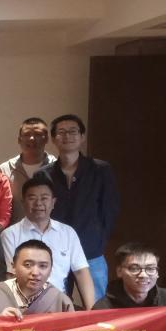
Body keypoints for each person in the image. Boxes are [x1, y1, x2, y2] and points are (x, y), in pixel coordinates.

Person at [41, 114, 120, 300]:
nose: (67, 136)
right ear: (53, 139)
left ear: (82, 136)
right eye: (61, 132)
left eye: (73, 131)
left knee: (97, 304)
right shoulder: (43, 174)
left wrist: (99, 239)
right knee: (55, 304)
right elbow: (40, 212)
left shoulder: (100, 170)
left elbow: (110, 209)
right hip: (55, 251)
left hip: (91, 250)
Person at [0, 175, 95, 309]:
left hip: (60, 304)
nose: (38, 203)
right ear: (23, 202)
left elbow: (81, 273)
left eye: (44, 198)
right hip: (25, 306)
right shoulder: (10, 235)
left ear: (53, 202)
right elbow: (10, 276)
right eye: (32, 198)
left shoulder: (67, 233)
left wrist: (92, 311)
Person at [0, 240, 74, 318]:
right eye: (28, 265)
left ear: (51, 270)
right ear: (13, 266)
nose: (35, 272)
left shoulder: (60, 301)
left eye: (43, 266)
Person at [93, 242, 166, 311]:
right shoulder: (103, 307)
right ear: (119, 271)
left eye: (150, 269)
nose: (143, 275)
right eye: (134, 268)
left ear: (157, 273)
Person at [0, 117, 56, 224]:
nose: (32, 138)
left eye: (38, 134)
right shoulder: (5, 169)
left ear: (46, 139)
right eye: (27, 134)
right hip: (15, 232)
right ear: (19, 139)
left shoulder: (56, 167)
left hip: (49, 231)